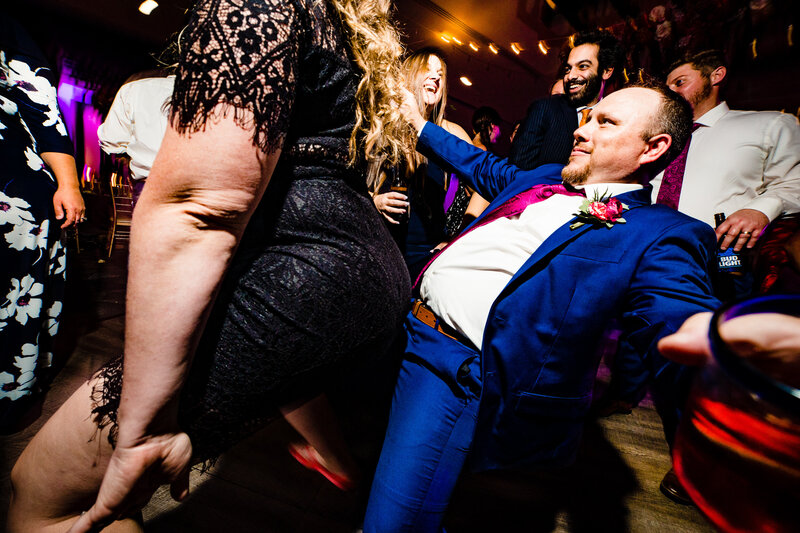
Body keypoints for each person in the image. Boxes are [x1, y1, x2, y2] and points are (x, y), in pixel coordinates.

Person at [8, 0, 411, 530]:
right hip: (354, 269)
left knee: (41, 498)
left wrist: (145, 428)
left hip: (305, 273)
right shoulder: (334, 21)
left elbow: (200, 209)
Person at [362, 82, 721, 532]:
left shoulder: (658, 233)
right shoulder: (544, 176)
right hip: (400, 328)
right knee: (361, 449)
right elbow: (481, 164)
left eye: (605, 122)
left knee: (395, 520)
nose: (581, 129)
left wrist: (721, 349)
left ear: (653, 148)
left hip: (451, 366)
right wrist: (418, 125)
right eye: (587, 117)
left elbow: (678, 321)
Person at [0, 17, 85, 432]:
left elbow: (44, 113)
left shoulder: (7, 29)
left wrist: (69, 184)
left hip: (11, 188)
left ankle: (11, 396)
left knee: (15, 299)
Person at [655, 50, 800, 253]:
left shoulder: (771, 124)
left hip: (720, 254)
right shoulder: (657, 139)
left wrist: (760, 210)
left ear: (716, 75)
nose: (670, 93)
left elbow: (793, 182)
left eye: (679, 82)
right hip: (646, 250)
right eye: (666, 88)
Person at [371, 48, 476, 278]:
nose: (436, 77)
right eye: (427, 70)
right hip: (380, 247)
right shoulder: (383, 125)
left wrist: (456, 238)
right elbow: (347, 183)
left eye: (440, 73)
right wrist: (374, 200)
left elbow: (483, 181)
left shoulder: (449, 132)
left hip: (425, 257)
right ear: (410, 76)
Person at [508, 29, 623, 170]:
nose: (570, 76)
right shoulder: (545, 109)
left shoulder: (617, 118)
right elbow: (518, 172)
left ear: (606, 71)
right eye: (568, 69)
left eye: (583, 66)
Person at [97, 69, 176, 206]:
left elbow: (111, 141)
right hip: (208, 190)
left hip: (151, 186)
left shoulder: (135, 87)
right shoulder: (214, 90)